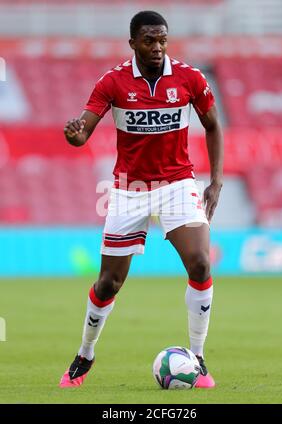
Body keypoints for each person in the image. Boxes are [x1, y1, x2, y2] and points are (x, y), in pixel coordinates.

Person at [60, 10, 223, 389]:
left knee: (199, 263)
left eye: (162, 39)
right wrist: (74, 134)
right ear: (132, 42)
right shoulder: (113, 82)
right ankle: (85, 353)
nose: (157, 47)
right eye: (149, 40)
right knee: (108, 284)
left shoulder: (189, 78)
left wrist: (215, 181)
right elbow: (84, 130)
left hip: (178, 183)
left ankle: (197, 359)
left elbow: (213, 125)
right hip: (129, 189)